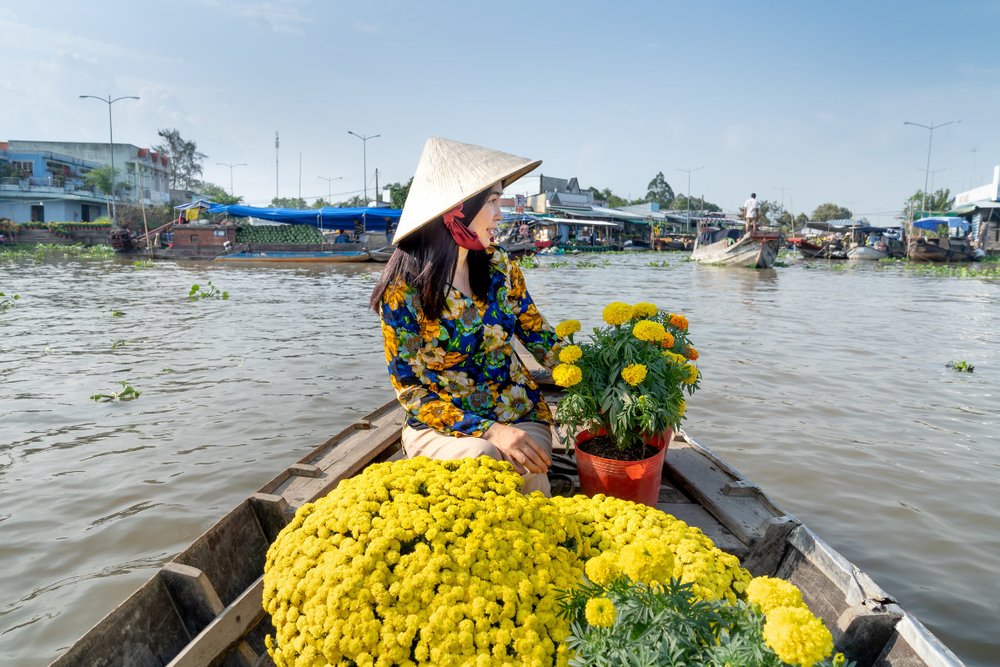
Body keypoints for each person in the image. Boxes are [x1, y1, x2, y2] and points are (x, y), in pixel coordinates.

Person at [369, 137, 564, 495]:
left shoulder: (500, 267)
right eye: (491, 201)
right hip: (442, 426)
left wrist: (600, 372)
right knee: (484, 458)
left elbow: (541, 337)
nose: (499, 214)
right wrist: (490, 431)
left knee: (525, 465)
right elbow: (411, 391)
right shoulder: (404, 289)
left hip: (516, 411)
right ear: (457, 210)